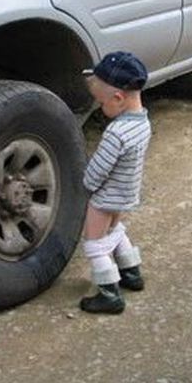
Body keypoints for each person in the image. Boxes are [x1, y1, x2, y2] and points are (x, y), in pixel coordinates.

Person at [80, 51, 152, 314]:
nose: (100, 107)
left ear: (118, 98)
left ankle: (109, 294)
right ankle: (131, 273)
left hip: (105, 198)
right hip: (126, 194)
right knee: (115, 230)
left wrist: (85, 183)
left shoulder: (116, 133)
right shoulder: (142, 121)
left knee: (95, 243)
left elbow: (98, 170)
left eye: (101, 102)